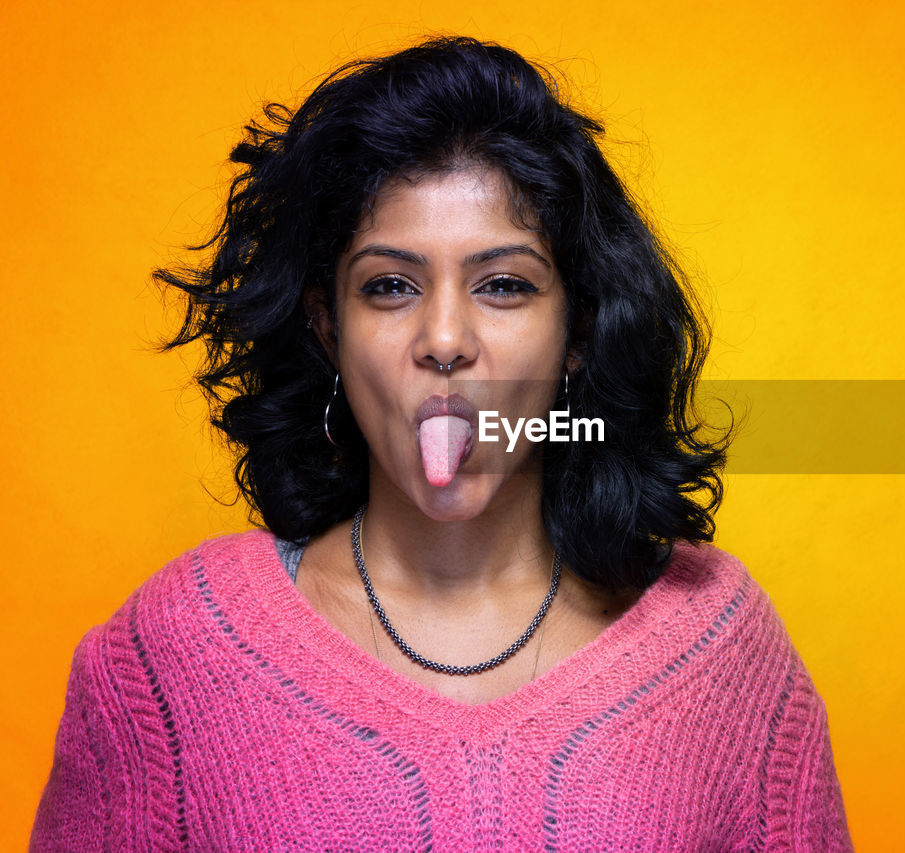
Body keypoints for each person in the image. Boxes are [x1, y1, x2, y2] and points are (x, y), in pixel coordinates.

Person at [31, 36, 853, 850]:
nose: (446, 338)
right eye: (390, 286)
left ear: (578, 332)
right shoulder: (168, 659)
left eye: (504, 285)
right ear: (327, 326)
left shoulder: (721, 648)